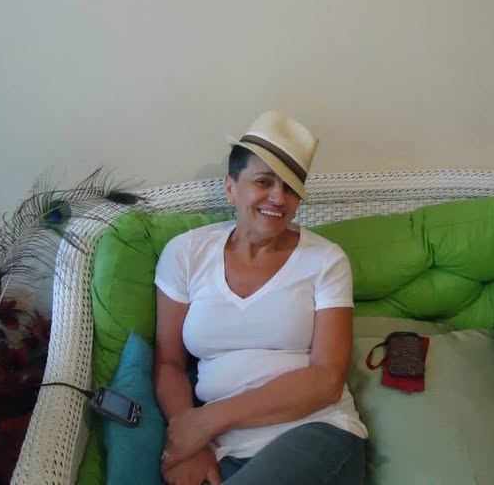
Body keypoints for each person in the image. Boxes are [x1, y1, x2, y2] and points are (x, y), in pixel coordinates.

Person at [153, 110, 368, 485]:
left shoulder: (326, 261)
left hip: (317, 433)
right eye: (264, 181)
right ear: (231, 186)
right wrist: (190, 437)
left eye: (290, 188)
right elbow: (169, 363)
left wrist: (207, 421)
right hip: (224, 449)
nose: (278, 197)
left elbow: (326, 379)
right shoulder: (186, 254)